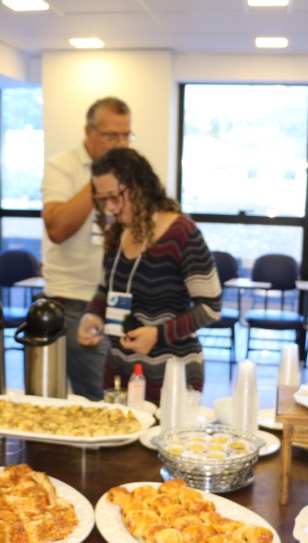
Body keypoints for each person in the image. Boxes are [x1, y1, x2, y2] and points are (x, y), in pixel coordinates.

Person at [77, 147, 222, 404]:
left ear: (139, 187)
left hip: (172, 376)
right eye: (102, 200)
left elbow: (210, 308)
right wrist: (92, 314)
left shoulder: (182, 234)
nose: (109, 208)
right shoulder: (116, 232)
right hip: (121, 371)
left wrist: (158, 334)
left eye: (114, 197)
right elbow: (104, 290)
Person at [41, 96, 133, 399]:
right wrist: (99, 179)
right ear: (89, 132)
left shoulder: (132, 168)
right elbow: (57, 229)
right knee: (99, 395)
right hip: (75, 300)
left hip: (122, 300)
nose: (120, 144)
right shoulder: (63, 166)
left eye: (125, 135)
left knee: (126, 393)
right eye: (111, 136)